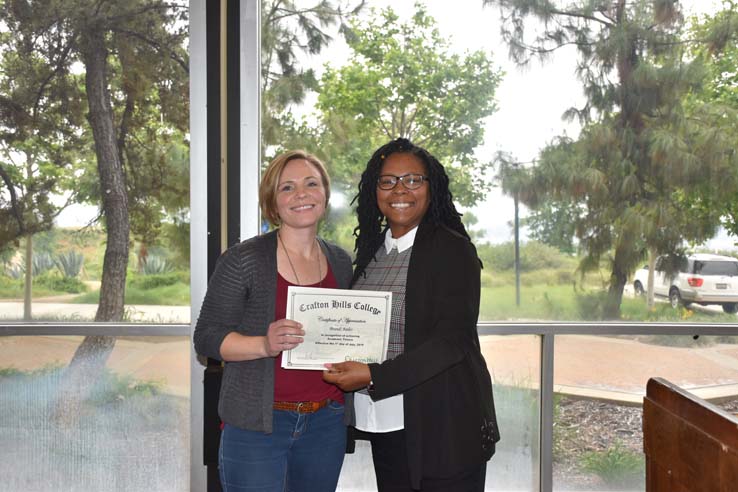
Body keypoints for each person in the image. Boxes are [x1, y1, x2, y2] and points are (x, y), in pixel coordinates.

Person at [323, 138, 500, 492]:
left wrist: (374, 375)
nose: (400, 189)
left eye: (413, 180)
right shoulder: (374, 252)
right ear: (375, 190)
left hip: (441, 425)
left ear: (431, 187)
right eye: (387, 181)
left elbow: (451, 342)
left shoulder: (452, 250)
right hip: (383, 422)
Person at [194, 150, 353, 492]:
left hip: (326, 422)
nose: (301, 194)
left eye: (311, 183)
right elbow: (206, 337)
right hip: (256, 426)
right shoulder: (243, 259)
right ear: (272, 201)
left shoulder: (341, 261)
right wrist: (264, 344)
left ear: (325, 193)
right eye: (287, 187)